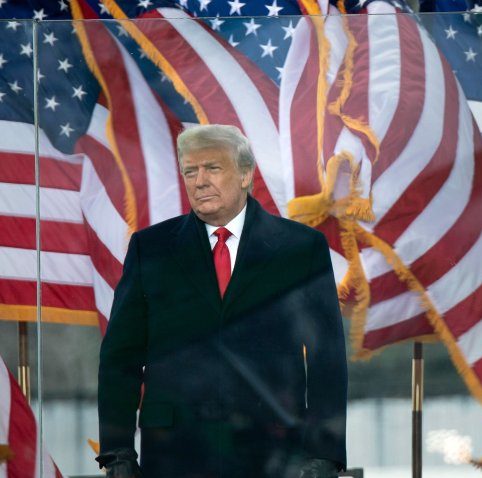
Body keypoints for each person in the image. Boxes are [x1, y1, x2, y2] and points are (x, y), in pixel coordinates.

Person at [96, 124, 347, 478]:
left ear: (246, 175)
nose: (199, 181)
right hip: (172, 454)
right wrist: (117, 451)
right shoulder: (150, 249)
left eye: (213, 168)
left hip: (272, 453)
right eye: (190, 171)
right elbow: (120, 358)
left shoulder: (300, 249)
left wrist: (324, 454)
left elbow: (327, 359)